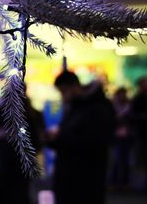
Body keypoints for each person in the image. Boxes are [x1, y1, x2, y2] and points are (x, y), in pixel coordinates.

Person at [49, 71, 115, 204]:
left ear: (73, 87)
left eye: (63, 91)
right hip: (72, 176)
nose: (62, 96)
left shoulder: (98, 107)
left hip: (86, 178)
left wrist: (60, 139)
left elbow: (95, 141)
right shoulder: (76, 106)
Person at [131, 76, 147, 193]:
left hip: (144, 133)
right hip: (142, 134)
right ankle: (143, 185)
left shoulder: (138, 99)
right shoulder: (137, 99)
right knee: (142, 160)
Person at [110, 87, 132, 190]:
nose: (122, 96)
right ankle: (114, 182)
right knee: (116, 160)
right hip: (116, 136)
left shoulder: (129, 105)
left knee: (126, 160)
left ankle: (125, 182)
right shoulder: (114, 106)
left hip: (127, 136)